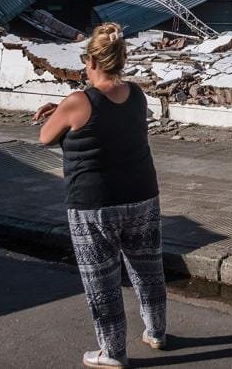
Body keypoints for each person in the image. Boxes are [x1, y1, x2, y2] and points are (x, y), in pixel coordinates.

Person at [35, 22, 166, 368]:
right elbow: (109, 118)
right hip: (142, 195)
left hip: (94, 204)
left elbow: (46, 138)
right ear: (120, 60)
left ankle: (113, 352)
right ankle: (156, 331)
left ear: (91, 62)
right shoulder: (137, 94)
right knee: (148, 269)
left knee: (102, 281)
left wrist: (60, 109)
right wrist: (64, 107)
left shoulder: (78, 101)